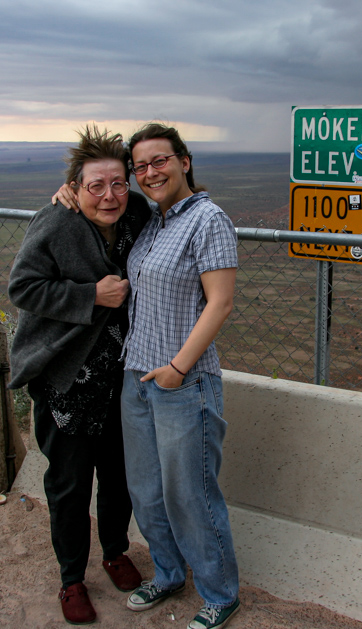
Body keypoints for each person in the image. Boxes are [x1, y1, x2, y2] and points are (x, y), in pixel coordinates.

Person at [7, 125, 151, 625]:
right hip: (65, 384)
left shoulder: (136, 215)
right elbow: (23, 288)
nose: (109, 196)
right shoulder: (56, 222)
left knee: (118, 476)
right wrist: (90, 295)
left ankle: (114, 552)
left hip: (120, 380)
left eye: (118, 183)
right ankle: (71, 579)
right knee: (68, 487)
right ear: (75, 187)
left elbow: (170, 199)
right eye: (95, 186)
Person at [120, 123, 241, 629]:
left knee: (190, 493)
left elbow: (220, 302)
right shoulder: (153, 221)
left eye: (160, 161)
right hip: (137, 376)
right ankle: (168, 573)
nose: (151, 172)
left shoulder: (208, 220)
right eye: (141, 166)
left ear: (184, 161)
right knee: (146, 491)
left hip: (182, 381)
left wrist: (176, 368)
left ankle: (219, 593)